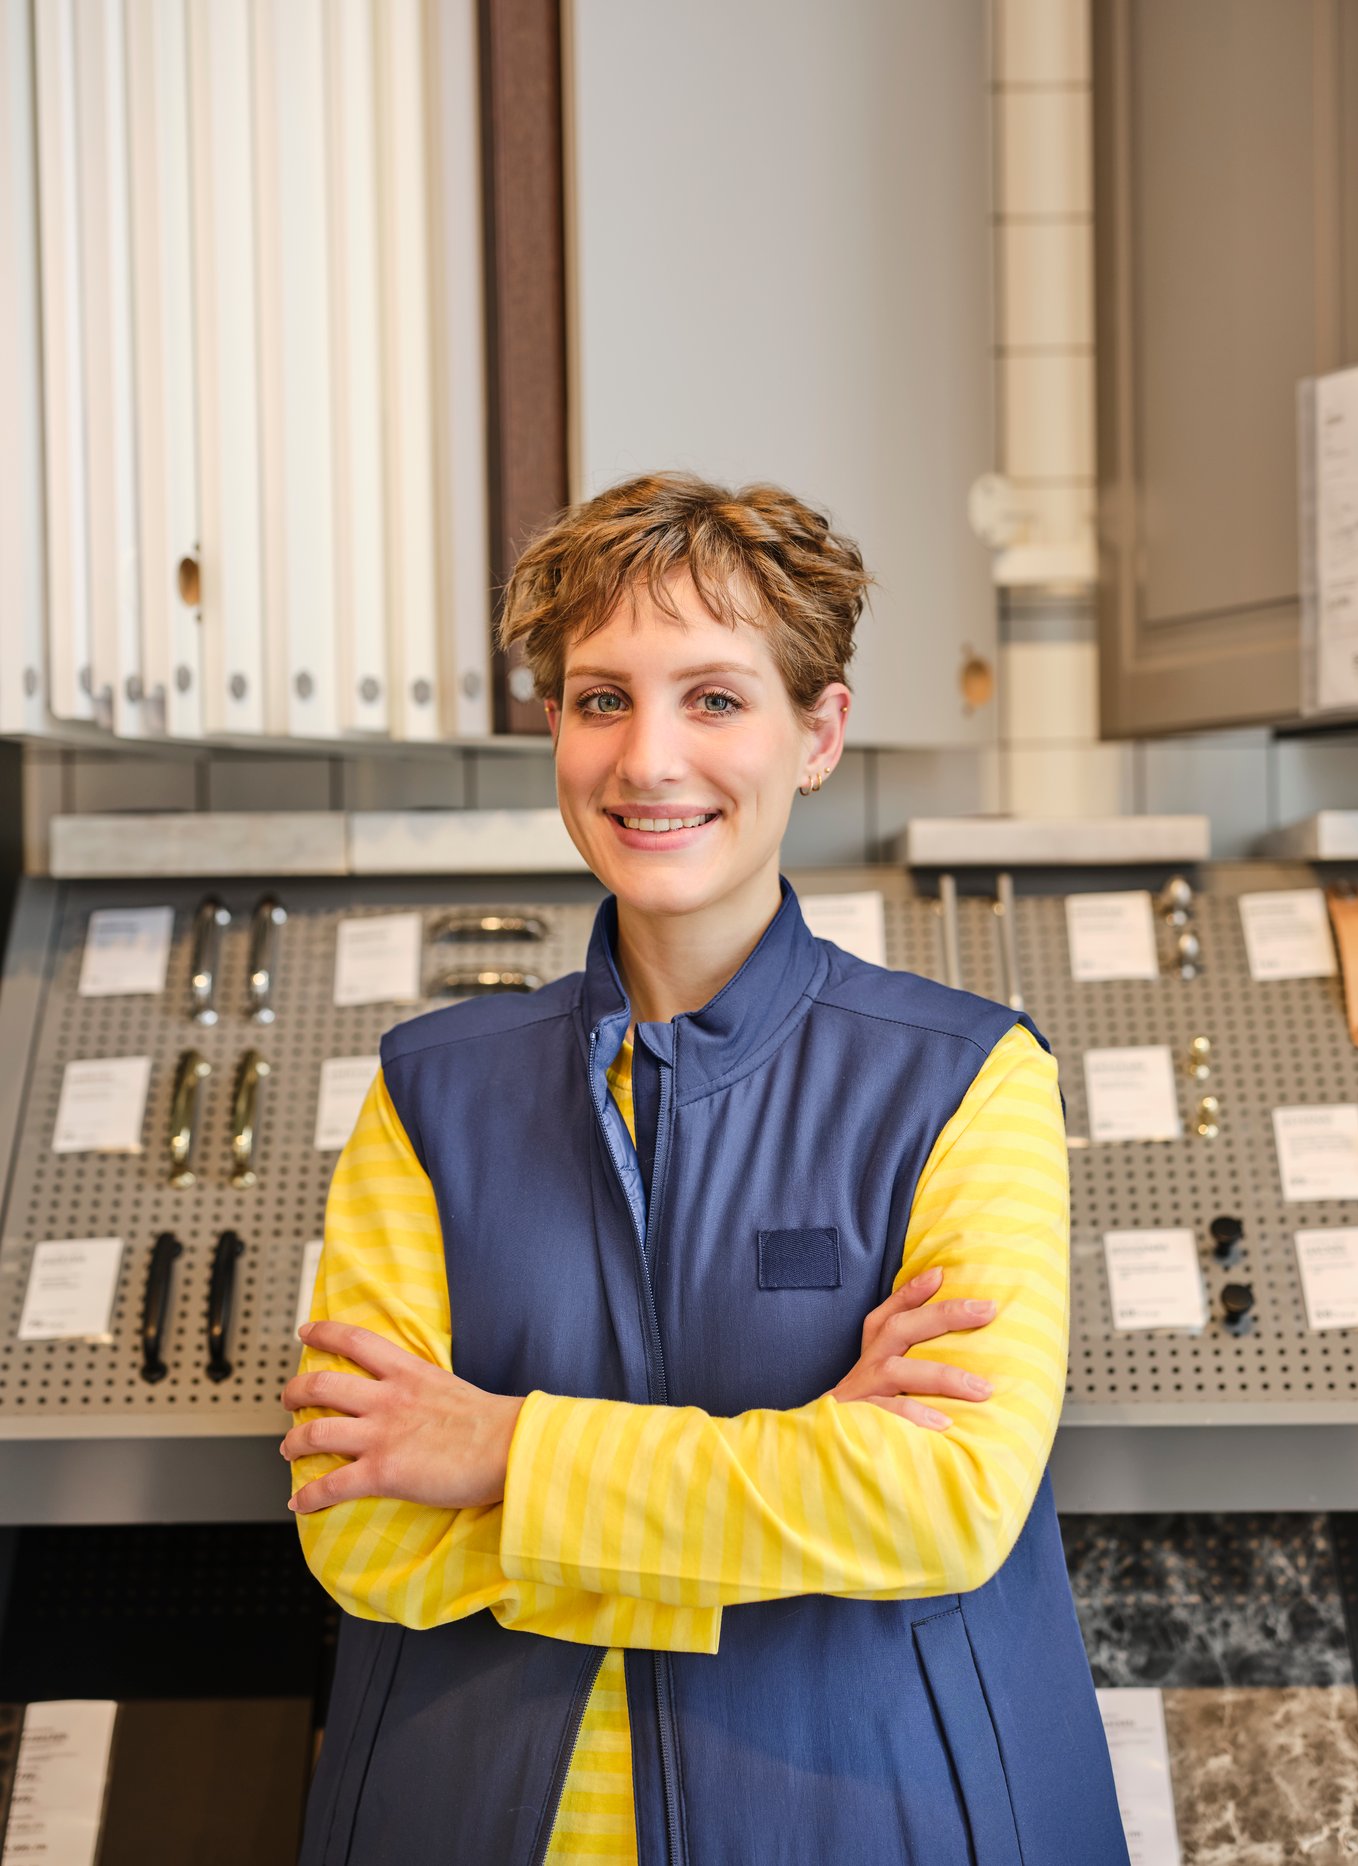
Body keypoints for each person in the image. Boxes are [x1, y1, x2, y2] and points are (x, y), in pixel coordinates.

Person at [281, 471, 1129, 1866]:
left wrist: (500, 1449)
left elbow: (946, 1494)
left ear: (818, 733)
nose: (648, 760)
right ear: (555, 723)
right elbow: (361, 1526)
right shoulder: (429, 1092)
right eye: (601, 697)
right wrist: (801, 1492)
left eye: (717, 699)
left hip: (876, 1822)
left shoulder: (967, 1082)